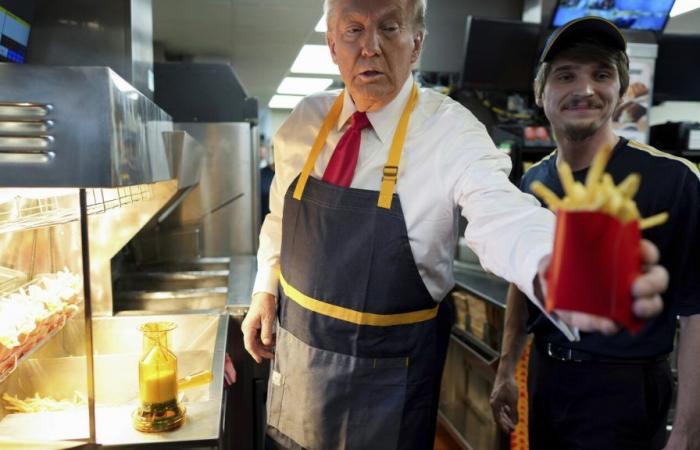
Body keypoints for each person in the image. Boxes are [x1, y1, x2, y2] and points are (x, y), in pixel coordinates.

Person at [243, 2, 668, 449]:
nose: (370, 47)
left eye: (389, 28)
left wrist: (562, 264)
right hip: (297, 375)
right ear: (332, 45)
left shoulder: (451, 133)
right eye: (353, 30)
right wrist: (264, 290)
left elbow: (502, 212)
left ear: (416, 44)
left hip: (386, 395)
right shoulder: (302, 124)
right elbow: (280, 220)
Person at [490, 17, 700, 450]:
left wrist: (686, 433)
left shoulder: (674, 180)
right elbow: (522, 283)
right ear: (540, 92)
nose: (585, 89)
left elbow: (697, 313)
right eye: (566, 75)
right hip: (549, 380)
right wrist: (507, 367)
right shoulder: (534, 181)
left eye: (601, 74)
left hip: (626, 390)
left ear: (621, 90)